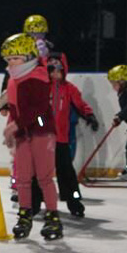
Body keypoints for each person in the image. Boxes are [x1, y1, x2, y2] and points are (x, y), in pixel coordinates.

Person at [0, 33, 63, 241]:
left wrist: (15, 126)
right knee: (23, 178)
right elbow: (15, 107)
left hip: (42, 130)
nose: (11, 63)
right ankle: (25, 215)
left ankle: (53, 217)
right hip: (23, 133)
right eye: (9, 59)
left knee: (44, 177)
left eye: (15, 58)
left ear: (28, 57)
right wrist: (12, 125)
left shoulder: (37, 76)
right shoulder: (14, 78)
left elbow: (38, 109)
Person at [39, 53, 99, 216]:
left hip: (61, 139)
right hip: (43, 139)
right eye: (51, 70)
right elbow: (37, 112)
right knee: (39, 171)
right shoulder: (42, 88)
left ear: (64, 71)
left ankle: (73, 200)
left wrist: (89, 116)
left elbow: (80, 105)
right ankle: (35, 201)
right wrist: (41, 126)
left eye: (59, 70)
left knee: (66, 170)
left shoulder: (69, 89)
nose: (55, 74)